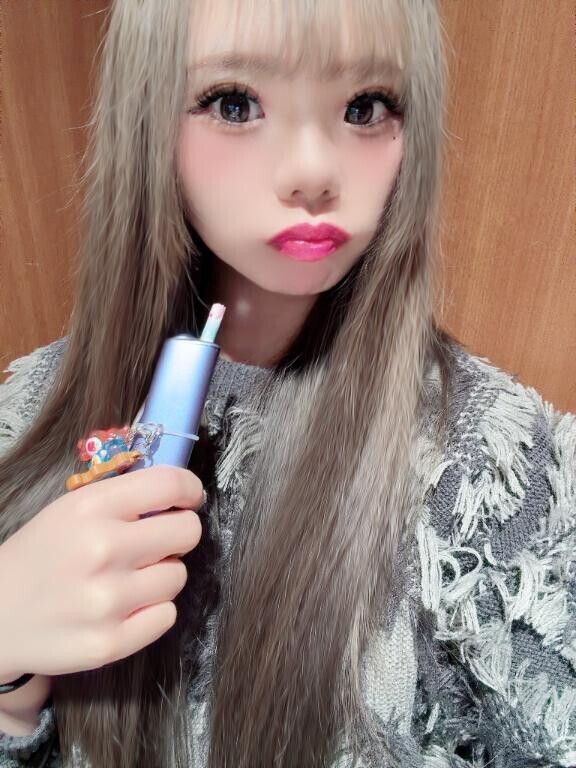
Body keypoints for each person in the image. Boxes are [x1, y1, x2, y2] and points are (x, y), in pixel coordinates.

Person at [0, 0, 574, 766]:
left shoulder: (493, 471)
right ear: (147, 118)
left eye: (365, 107)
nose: (312, 170)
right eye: (234, 103)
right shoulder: (30, 410)